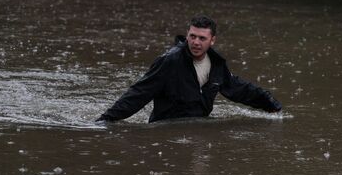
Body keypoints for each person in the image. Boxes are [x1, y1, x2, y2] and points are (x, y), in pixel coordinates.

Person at [96, 15, 282, 123]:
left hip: (199, 130)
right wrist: (105, 121)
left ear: (212, 40)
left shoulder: (216, 64)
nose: (195, 42)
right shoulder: (170, 61)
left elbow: (238, 88)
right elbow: (139, 93)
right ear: (187, 35)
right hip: (166, 131)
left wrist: (271, 106)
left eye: (202, 38)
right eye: (192, 36)